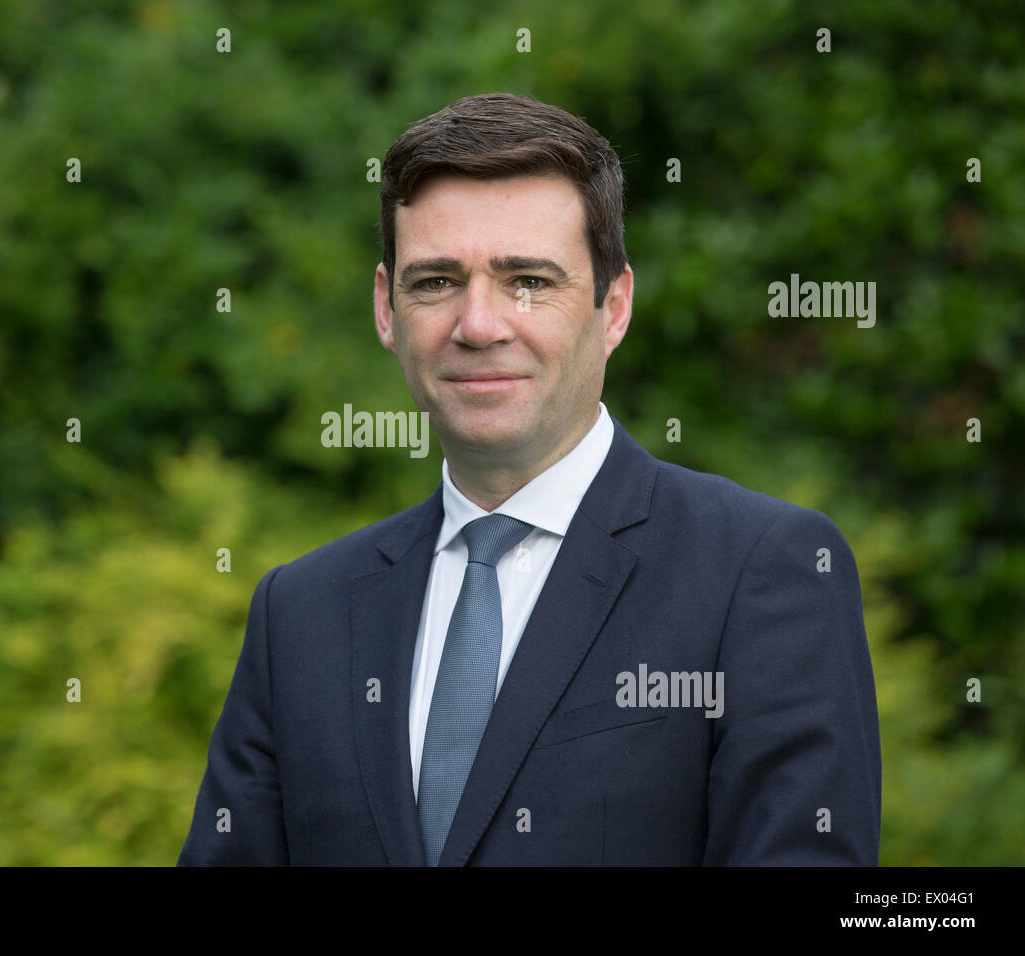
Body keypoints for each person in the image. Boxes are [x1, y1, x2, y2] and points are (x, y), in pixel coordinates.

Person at [178, 92, 881, 866]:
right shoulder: (301, 615)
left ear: (614, 307)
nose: (478, 325)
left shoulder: (761, 573)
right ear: (386, 308)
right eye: (436, 281)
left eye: (530, 281)